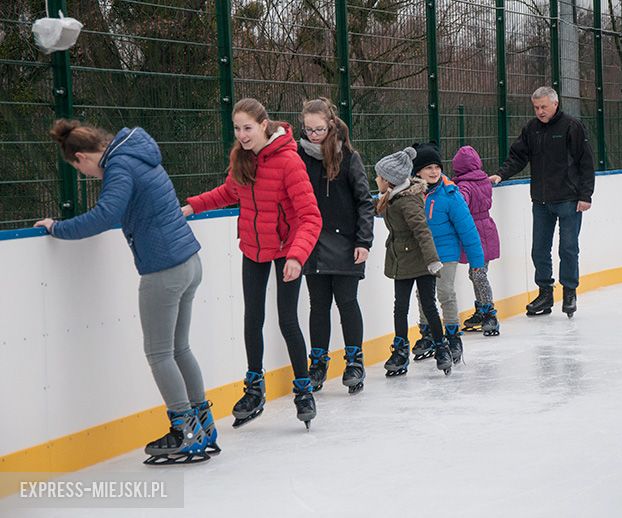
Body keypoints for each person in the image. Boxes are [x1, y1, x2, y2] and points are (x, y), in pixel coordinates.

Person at [35, 120, 215, 465]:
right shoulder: (136, 152)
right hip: (189, 261)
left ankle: (185, 431)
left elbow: (106, 215)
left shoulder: (119, 166)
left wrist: (58, 227)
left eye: (80, 169)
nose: (86, 175)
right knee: (179, 348)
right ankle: (203, 426)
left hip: (163, 268)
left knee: (159, 353)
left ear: (83, 158)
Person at [182, 98, 322, 430]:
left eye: (247, 128)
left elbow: (310, 217)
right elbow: (228, 192)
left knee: (288, 320)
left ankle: (303, 390)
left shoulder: (289, 162)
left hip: (287, 250)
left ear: (263, 124)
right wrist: (191, 207)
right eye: (237, 128)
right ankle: (254, 388)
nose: (242, 135)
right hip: (254, 249)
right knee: (252, 319)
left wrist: (297, 256)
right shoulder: (243, 160)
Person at [489, 86, 594, 318]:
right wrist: (501, 174)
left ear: (555, 104)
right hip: (541, 201)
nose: (540, 111)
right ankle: (545, 293)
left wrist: (586, 196)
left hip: (569, 199)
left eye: (543, 107)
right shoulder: (531, 129)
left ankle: (569, 292)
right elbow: (517, 156)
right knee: (539, 250)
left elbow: (586, 161)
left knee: (567, 248)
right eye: (536, 107)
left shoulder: (571, 126)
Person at [298, 97, 374, 395]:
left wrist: (363, 241)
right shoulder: (299, 156)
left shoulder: (348, 157)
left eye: (318, 129)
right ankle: (318, 362)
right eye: (308, 130)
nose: (313, 135)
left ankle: (354, 361)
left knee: (346, 302)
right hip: (312, 242)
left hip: (346, 243)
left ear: (330, 125)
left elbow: (364, 202)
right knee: (318, 305)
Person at [374, 147, 452, 376]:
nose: (376, 179)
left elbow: (422, 231)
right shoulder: (391, 197)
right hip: (402, 260)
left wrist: (433, 261)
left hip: (421, 262)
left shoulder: (407, 202)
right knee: (400, 307)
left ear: (389, 180)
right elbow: (377, 210)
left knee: (428, 305)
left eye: (378, 176)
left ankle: (441, 347)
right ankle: (400, 349)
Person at [410, 142, 484, 364]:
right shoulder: (412, 194)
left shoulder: (450, 194)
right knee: (423, 295)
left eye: (437, 167)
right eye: (428, 168)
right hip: (422, 253)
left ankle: (452, 335)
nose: (434, 172)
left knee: (445, 292)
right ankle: (428, 333)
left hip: (446, 252)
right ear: (417, 172)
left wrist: (476, 260)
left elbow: (467, 228)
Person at [451, 145, 501, 336]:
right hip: (485, 229)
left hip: (476, 232)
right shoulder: (484, 180)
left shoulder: (464, 185)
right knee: (475, 273)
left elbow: (461, 202)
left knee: (478, 273)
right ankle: (482, 309)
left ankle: (490, 312)